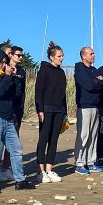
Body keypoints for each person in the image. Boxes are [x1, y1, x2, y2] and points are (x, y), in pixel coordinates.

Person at [0, 47, 34, 192]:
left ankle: (20, 180)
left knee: (16, 149)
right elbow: (0, 91)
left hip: (8, 118)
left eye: (5, 62)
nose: (4, 65)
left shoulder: (7, 76)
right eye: (1, 62)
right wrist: (8, 77)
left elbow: (16, 95)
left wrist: (15, 79)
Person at [35, 42, 67, 183]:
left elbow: (63, 94)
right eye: (59, 56)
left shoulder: (61, 72)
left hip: (59, 110)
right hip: (46, 109)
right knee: (43, 139)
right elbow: (38, 92)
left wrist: (65, 111)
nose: (61, 58)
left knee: (54, 140)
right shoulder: (44, 71)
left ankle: (49, 169)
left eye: (62, 56)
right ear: (51, 57)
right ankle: (41, 171)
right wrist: (40, 110)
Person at [73, 46, 103, 174]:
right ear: (84, 56)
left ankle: (90, 161)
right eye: (91, 54)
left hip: (95, 106)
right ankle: (80, 163)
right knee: (83, 135)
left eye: (93, 53)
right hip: (84, 106)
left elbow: (102, 83)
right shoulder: (80, 70)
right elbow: (89, 85)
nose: (93, 55)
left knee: (93, 135)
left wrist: (97, 81)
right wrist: (97, 81)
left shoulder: (94, 70)